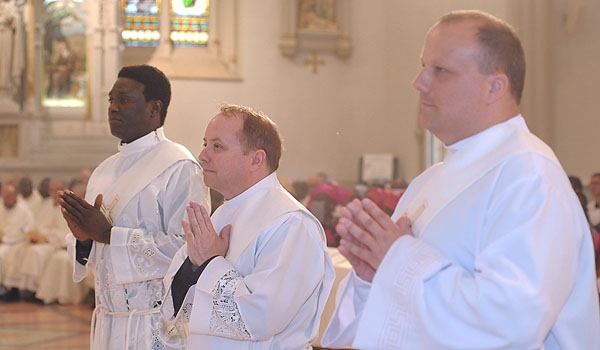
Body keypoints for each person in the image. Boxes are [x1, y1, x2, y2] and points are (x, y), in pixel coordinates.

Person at [322, 10, 600, 349]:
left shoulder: (528, 176)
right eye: (423, 66)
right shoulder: (428, 181)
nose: (419, 82)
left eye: (440, 71)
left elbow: (510, 323)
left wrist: (397, 259)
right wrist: (373, 276)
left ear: (495, 86)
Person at [58, 64, 210, 349]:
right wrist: (84, 240)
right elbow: (101, 258)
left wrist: (109, 235)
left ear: (155, 108)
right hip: (109, 321)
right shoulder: (104, 170)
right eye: (111, 100)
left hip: (156, 326)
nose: (113, 108)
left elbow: (189, 252)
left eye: (124, 100)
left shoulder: (179, 166)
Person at [160, 104, 335, 348]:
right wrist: (193, 265)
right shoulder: (222, 213)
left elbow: (260, 317)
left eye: (217, 146)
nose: (202, 155)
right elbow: (175, 308)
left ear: (256, 159)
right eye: (205, 143)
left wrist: (210, 263)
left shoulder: (292, 223)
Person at [0, 183, 34, 301]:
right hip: (4, 243)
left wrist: (5, 239)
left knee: (2, 254)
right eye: (4, 197)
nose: (6, 200)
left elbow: (28, 231)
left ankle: (6, 289)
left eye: (9, 196)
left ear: (16, 196)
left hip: (16, 243)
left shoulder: (24, 211)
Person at [0, 0, 23, 101]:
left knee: (6, 63)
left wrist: (12, 18)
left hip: (6, 36)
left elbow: (16, 22)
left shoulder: (12, 5)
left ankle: (5, 87)